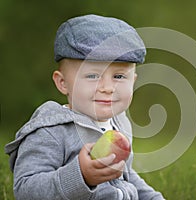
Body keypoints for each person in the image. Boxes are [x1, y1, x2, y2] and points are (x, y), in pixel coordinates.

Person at [5, 14, 165, 200]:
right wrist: (81, 176)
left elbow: (125, 177)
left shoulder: (120, 123)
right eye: (93, 76)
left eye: (119, 76)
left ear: (133, 81)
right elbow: (26, 189)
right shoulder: (51, 131)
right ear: (63, 82)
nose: (107, 88)